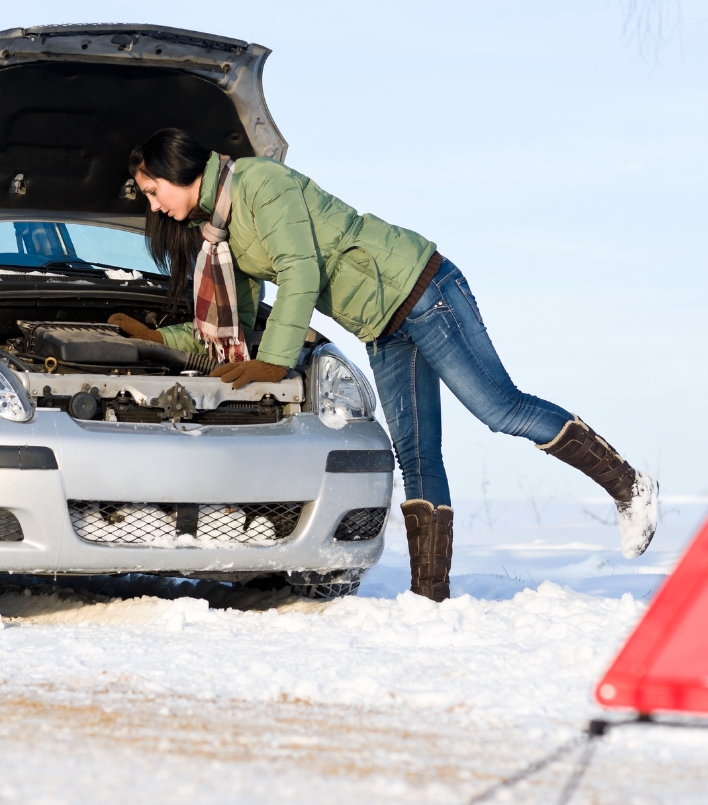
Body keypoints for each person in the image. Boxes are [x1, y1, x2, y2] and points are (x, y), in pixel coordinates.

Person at [108, 128, 659, 600]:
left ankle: (629, 485)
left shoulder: (259, 184)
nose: (153, 204)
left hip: (421, 289)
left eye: (153, 191)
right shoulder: (221, 233)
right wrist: (159, 337)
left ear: (176, 170)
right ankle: (431, 598)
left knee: (499, 408)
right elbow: (240, 322)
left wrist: (275, 364)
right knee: (417, 455)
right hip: (383, 324)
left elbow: (301, 272)